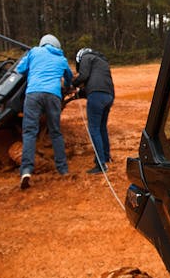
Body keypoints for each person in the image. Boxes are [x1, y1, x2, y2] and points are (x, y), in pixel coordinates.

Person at [15, 34, 73, 189]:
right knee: (55, 132)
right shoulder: (62, 59)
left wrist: (33, 71)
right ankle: (63, 169)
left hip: (33, 93)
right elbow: (69, 78)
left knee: (29, 132)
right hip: (53, 95)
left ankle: (26, 170)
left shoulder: (34, 52)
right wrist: (65, 85)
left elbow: (19, 69)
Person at [73, 47, 115, 174]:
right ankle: (106, 156)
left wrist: (72, 84)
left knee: (94, 129)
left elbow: (84, 76)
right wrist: (78, 94)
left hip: (96, 96)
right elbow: (95, 83)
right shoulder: (101, 62)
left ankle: (100, 164)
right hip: (109, 96)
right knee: (102, 128)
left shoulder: (86, 58)